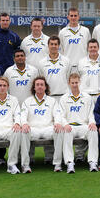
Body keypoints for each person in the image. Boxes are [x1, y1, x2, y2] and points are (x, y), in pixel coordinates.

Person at [37, 35, 70, 164]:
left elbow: (67, 78)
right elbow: (41, 81)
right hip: (49, 98)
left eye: (56, 44)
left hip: (62, 97)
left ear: (59, 46)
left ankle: (63, 155)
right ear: (48, 46)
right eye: (52, 44)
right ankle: (49, 156)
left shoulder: (66, 61)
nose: (54, 46)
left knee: (62, 125)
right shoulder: (42, 62)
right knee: (49, 125)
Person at [76, 39, 100, 162]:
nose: (93, 49)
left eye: (95, 47)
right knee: (85, 124)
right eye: (90, 47)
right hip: (86, 97)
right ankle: (80, 154)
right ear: (87, 48)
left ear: (98, 47)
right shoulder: (81, 62)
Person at [19, 77, 62, 173]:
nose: (39, 87)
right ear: (34, 88)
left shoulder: (52, 101)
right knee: (24, 132)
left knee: (59, 130)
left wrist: (57, 123)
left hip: (48, 128)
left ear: (45, 87)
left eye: (42, 85)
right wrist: (25, 124)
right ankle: (25, 165)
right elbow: (23, 115)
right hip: (33, 129)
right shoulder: (27, 101)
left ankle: (57, 164)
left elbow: (57, 114)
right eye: (37, 85)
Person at [58, 73, 99, 173]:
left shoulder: (87, 97)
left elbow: (91, 114)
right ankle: (70, 163)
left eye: (76, 82)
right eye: (73, 83)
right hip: (70, 126)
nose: (75, 85)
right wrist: (66, 124)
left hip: (83, 126)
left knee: (93, 131)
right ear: (69, 83)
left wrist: (92, 122)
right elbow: (61, 116)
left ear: (79, 82)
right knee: (66, 132)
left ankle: (93, 162)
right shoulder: (64, 98)